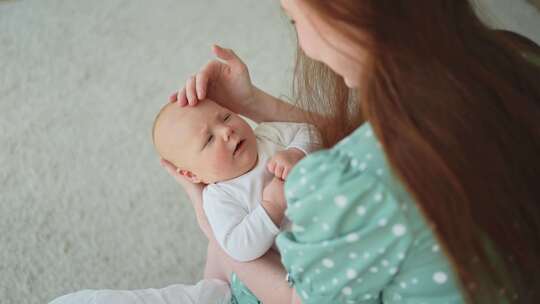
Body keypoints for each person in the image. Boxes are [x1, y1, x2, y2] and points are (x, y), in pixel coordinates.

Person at [49, 0, 540, 303]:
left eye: (294, 18)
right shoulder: (516, 60)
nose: (301, 41)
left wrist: (206, 223)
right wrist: (256, 104)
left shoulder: (348, 184)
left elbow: (290, 299)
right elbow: (370, 136)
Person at [152, 98, 321, 263]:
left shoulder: (267, 134)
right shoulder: (219, 196)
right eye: (209, 139)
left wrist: (296, 152)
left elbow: (309, 131)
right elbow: (238, 246)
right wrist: (272, 207)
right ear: (191, 175)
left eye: (226, 117)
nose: (226, 130)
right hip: (311, 250)